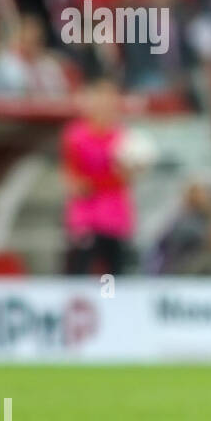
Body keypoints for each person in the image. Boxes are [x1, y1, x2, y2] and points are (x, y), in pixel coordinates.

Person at [61, 76, 134, 277]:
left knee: (114, 273)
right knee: (79, 269)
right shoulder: (76, 135)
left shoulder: (123, 136)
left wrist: (94, 183)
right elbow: (73, 179)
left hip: (114, 215)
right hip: (85, 216)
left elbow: (127, 176)